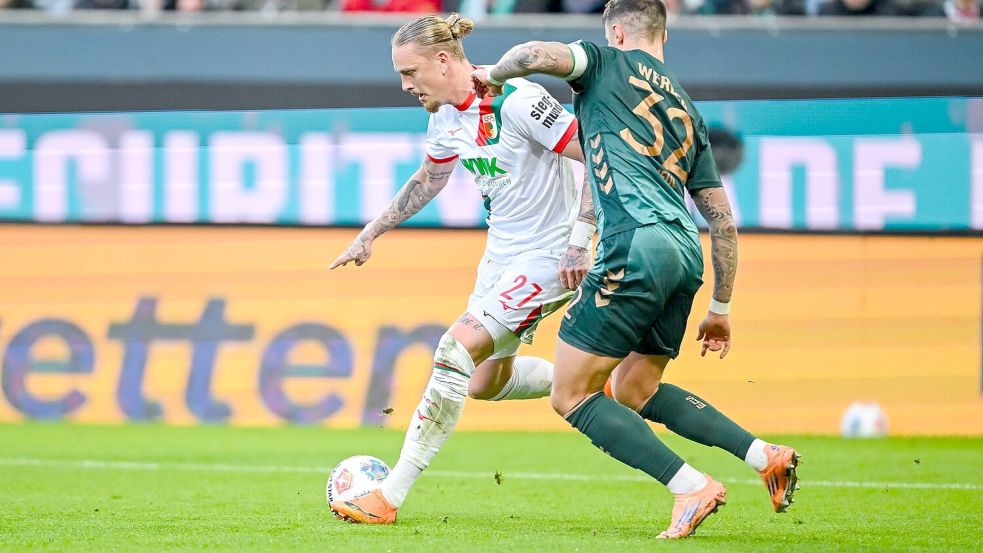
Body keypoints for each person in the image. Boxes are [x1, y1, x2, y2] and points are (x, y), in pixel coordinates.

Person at [472, 0, 798, 539]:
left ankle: (690, 485)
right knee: (635, 389)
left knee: (572, 394)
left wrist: (495, 74)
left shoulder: (603, 62)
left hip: (634, 245)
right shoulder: (688, 110)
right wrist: (721, 307)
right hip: (683, 253)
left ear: (617, 30)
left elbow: (534, 53)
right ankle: (764, 454)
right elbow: (721, 220)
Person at [328, 13, 594, 524]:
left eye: (410, 73)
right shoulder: (445, 117)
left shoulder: (519, 100)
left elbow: (597, 157)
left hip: (550, 252)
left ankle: (388, 497)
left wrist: (581, 241)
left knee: (454, 349)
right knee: (484, 384)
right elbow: (431, 178)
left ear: (444, 60)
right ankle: (589, 380)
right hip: (501, 255)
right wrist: (372, 234)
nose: (405, 85)